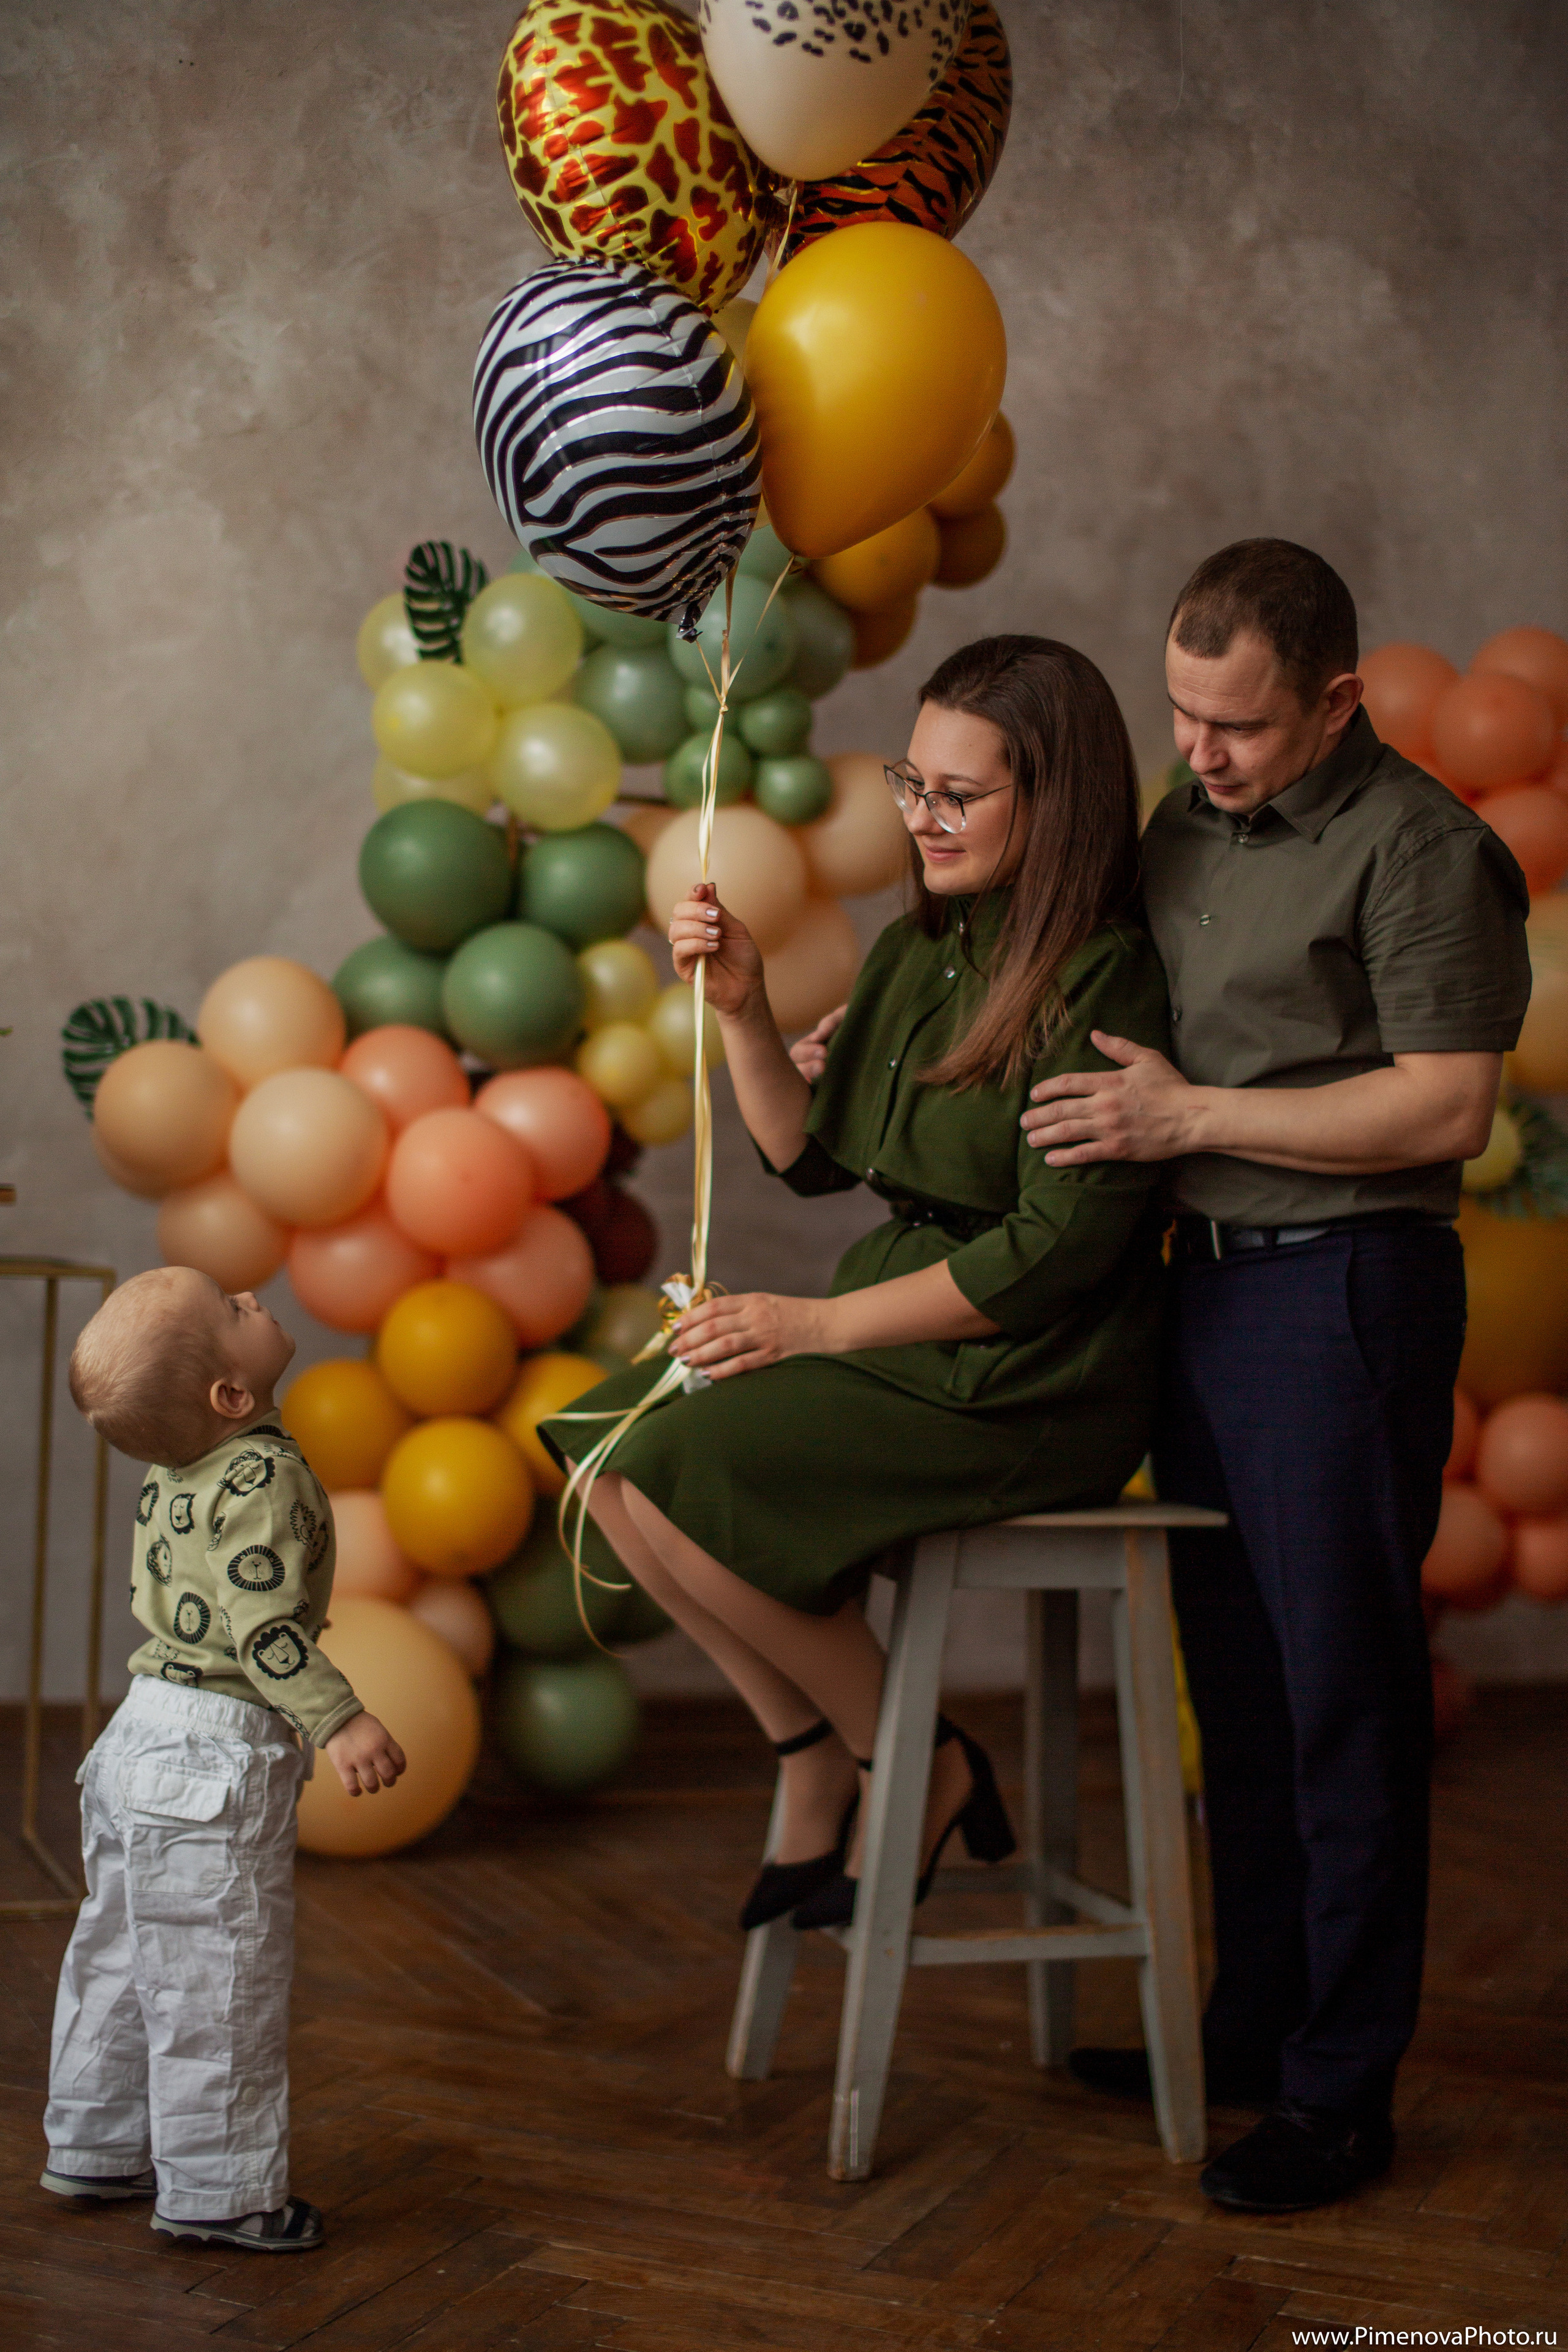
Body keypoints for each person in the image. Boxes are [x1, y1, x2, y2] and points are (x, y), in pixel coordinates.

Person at [1017, 540, 1532, 2214]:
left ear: (1336, 702)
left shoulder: (1424, 850)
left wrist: (1188, 1118)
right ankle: (1251, 2029)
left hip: (1346, 1294)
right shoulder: (1182, 821)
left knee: (1340, 1702)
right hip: (1203, 1295)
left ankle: (1339, 2093)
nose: (1199, 749)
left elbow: (1447, 1106)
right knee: (1233, 1693)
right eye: (1181, 713)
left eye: (1235, 724)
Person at [544, 635, 1171, 1933]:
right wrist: (743, 1010)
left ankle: (911, 1756)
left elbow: (1050, 1256)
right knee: (604, 1450)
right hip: (906, 1329)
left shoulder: (1100, 976)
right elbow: (808, 1157)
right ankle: (820, 1748)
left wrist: (814, 1326)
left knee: (686, 1465)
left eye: (959, 795)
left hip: (1028, 1369)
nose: (921, 818)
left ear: (1054, 802)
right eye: (911, 783)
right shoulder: (915, 951)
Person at [42, 1267, 407, 2253]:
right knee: (219, 1978)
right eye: (230, 1307)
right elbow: (266, 1634)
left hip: (136, 1735)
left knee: (119, 1957)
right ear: (231, 1396)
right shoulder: (264, 1475)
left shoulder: (180, 1467)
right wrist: (339, 1720)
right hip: (212, 1749)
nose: (250, 1293)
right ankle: (223, 2194)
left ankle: (95, 2143)